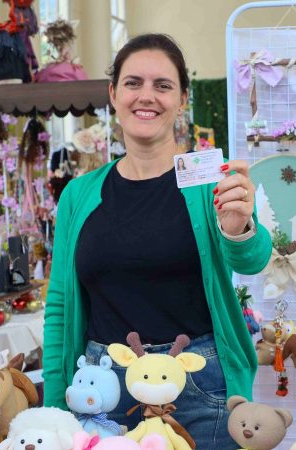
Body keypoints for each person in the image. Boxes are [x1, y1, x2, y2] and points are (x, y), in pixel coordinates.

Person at [43, 33, 272, 449]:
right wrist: (55, 411)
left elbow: (252, 260)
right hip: (101, 390)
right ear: (113, 94)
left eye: (162, 85)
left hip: (199, 384)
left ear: (182, 99)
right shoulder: (79, 194)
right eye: (133, 83)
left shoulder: (211, 181)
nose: (146, 96)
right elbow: (59, 305)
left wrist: (238, 229)